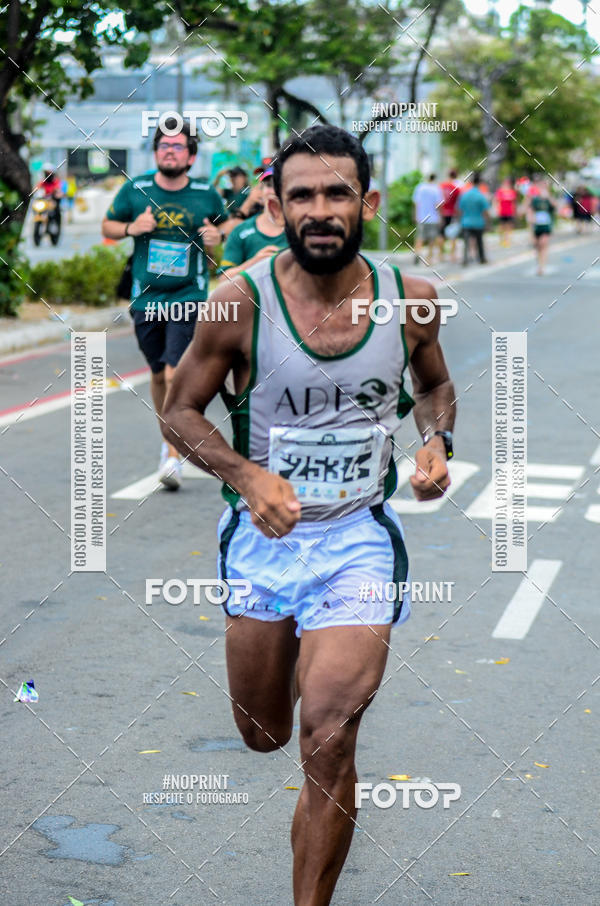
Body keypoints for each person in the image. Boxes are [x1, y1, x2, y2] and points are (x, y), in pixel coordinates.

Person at [162, 124, 455, 906]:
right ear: (277, 205)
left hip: (358, 540)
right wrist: (245, 474)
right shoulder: (239, 302)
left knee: (329, 734)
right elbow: (180, 410)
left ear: (368, 202)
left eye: (337, 193)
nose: (320, 209)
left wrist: (437, 443)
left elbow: (434, 386)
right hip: (262, 543)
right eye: (302, 195)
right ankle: (294, 654)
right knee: (264, 733)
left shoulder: (411, 300)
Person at [101, 116, 231, 489]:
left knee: (175, 373)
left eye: (177, 146)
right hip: (146, 298)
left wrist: (216, 236)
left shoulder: (205, 193)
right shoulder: (136, 189)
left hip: (188, 294)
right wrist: (131, 228)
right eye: (163, 145)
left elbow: (224, 228)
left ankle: (173, 455)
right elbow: (108, 226)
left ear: (191, 156)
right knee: (159, 375)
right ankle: (169, 440)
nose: (169, 151)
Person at [217, 168, 288, 283]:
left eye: (279, 184)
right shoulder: (241, 231)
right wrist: (255, 262)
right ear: (261, 191)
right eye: (269, 185)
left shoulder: (302, 230)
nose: (274, 191)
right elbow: (224, 279)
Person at [458, 172, 490, 265]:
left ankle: (465, 259)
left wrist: (460, 220)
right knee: (479, 241)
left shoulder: (465, 195)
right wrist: (488, 222)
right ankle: (482, 258)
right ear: (479, 183)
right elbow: (485, 211)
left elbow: (460, 209)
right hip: (478, 222)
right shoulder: (480, 196)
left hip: (466, 222)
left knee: (466, 242)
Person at [412, 173, 443, 264]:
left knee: (419, 237)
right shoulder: (436, 189)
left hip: (421, 217)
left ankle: (417, 253)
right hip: (433, 218)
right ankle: (429, 258)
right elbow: (438, 204)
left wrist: (416, 215)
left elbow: (416, 203)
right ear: (434, 179)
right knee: (431, 239)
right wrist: (440, 216)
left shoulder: (420, 187)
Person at [529, 178, 555, 276]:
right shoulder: (535, 199)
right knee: (537, 246)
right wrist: (531, 223)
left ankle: (542, 266)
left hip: (546, 225)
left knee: (543, 244)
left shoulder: (548, 199)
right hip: (536, 225)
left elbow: (555, 206)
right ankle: (539, 264)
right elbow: (530, 210)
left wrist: (548, 197)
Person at [439, 169, 461, 262]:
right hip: (452, 213)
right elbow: (458, 203)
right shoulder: (456, 188)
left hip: (442, 213)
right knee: (453, 235)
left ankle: (441, 255)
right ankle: (452, 255)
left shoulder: (441, 186)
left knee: (441, 234)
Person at [494, 177, 517, 247]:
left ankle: (507, 240)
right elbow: (496, 201)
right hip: (502, 212)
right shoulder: (500, 191)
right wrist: (497, 209)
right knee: (502, 226)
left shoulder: (512, 192)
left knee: (509, 226)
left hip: (509, 212)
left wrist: (514, 211)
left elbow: (513, 203)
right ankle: (501, 239)